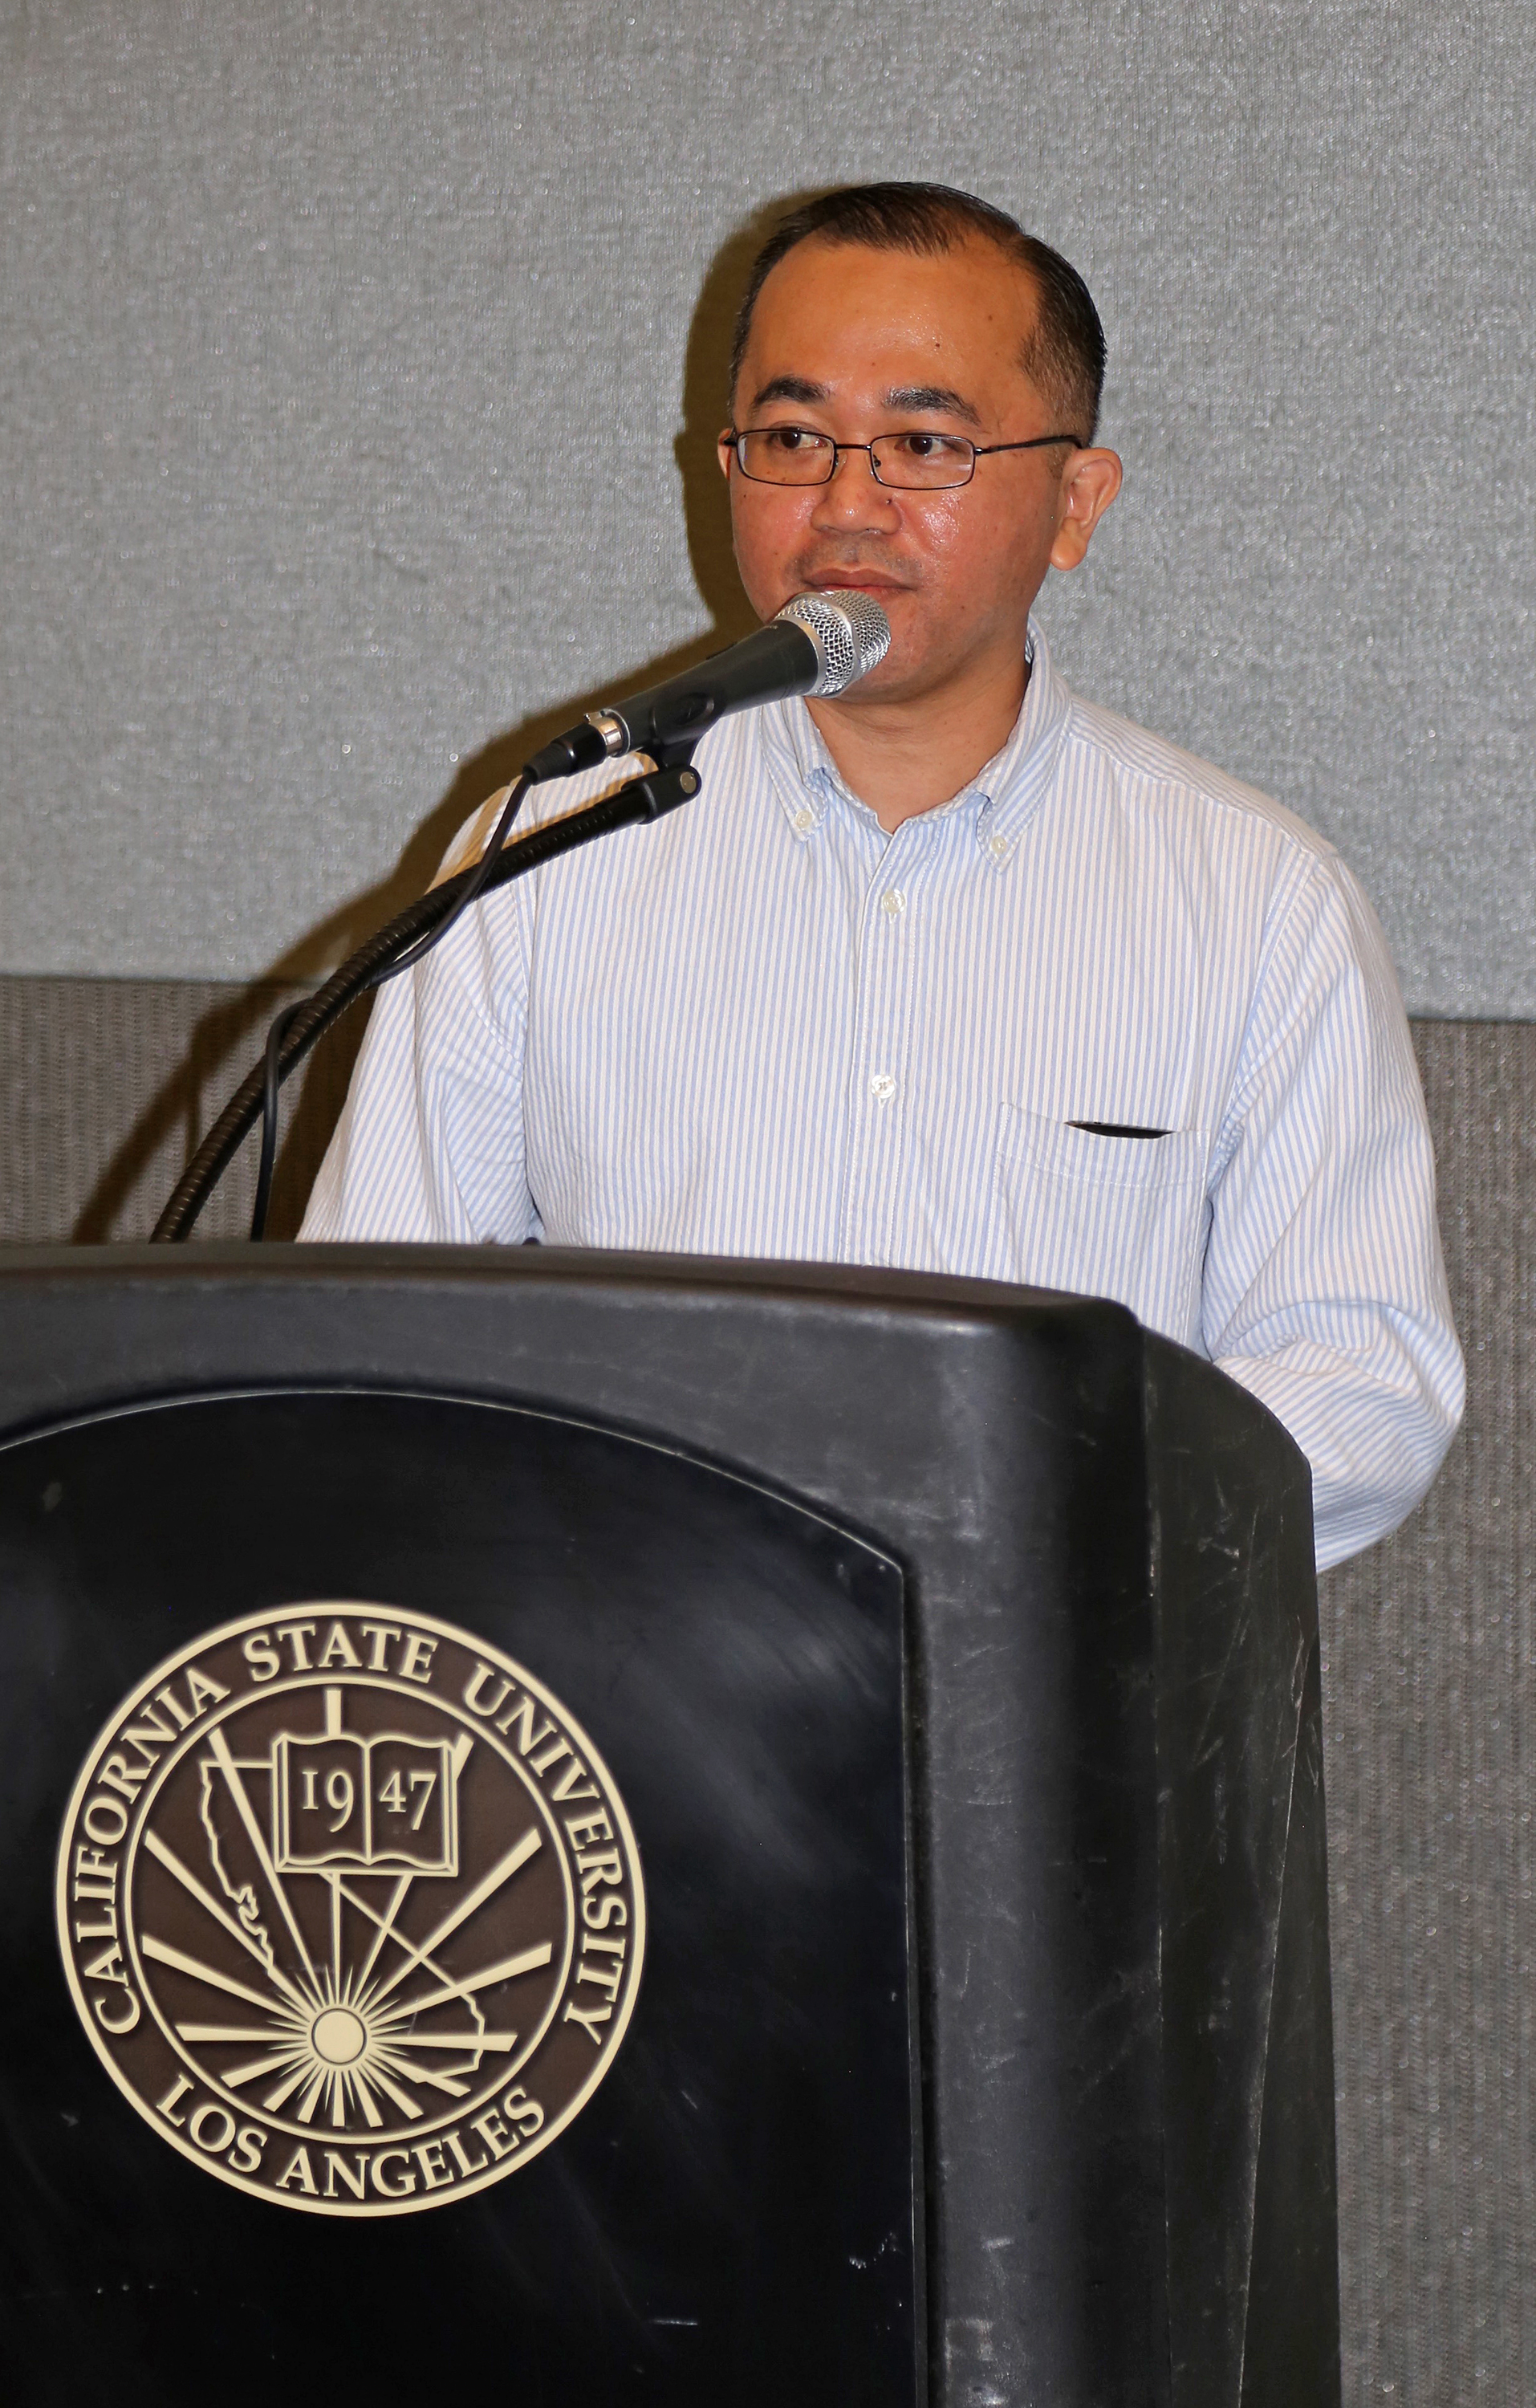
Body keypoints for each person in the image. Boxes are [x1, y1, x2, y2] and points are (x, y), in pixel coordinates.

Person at [301, 181, 1463, 1570]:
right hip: (636, 1697)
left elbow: (1356, 1389)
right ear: (726, 467)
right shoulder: (553, 846)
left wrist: (1003, 1542)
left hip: (1053, 1692)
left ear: (1075, 502)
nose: (847, 505)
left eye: (923, 443)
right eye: (794, 437)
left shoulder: (1258, 903)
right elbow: (372, 1327)